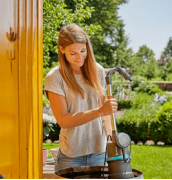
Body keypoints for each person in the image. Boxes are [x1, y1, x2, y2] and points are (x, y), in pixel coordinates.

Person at [44, 24, 117, 172]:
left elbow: (106, 114)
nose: (79, 57)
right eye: (73, 53)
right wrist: (99, 111)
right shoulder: (55, 77)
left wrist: (112, 142)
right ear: (62, 49)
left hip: (99, 152)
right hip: (72, 156)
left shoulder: (98, 70)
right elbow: (64, 120)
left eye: (83, 51)